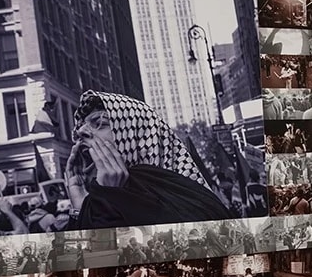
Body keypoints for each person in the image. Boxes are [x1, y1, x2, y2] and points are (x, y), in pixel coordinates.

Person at [65, 91, 234, 229]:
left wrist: (112, 198)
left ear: (135, 133)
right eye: (81, 127)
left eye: (99, 123)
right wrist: (80, 209)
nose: (82, 132)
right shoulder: (96, 198)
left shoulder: (188, 202)